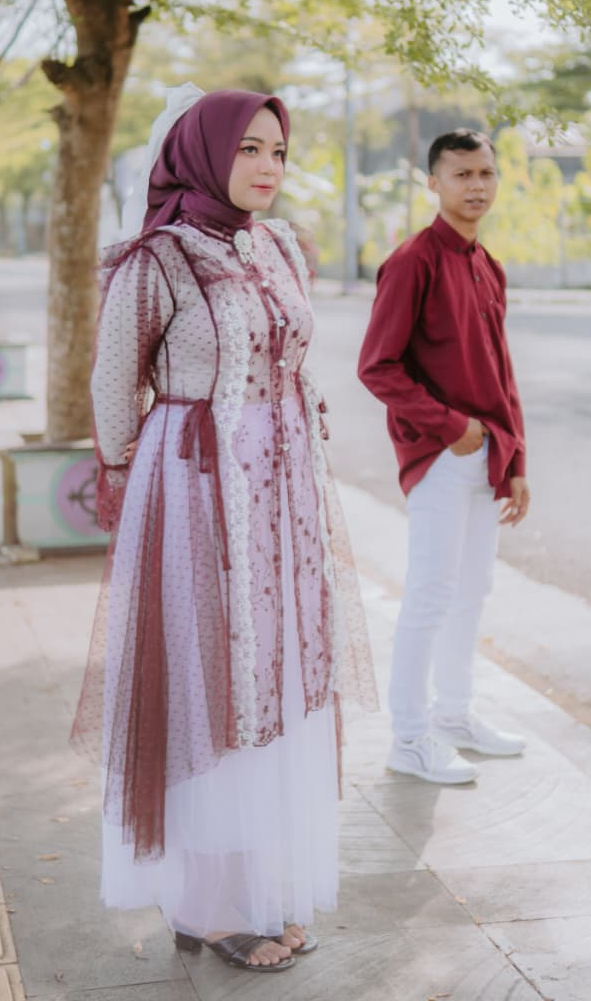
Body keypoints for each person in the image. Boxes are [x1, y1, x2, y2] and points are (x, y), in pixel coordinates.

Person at [72, 87, 376, 972]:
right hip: (197, 494)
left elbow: (289, 358)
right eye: (247, 148)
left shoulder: (276, 245)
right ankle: (206, 906)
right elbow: (113, 384)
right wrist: (133, 478)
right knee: (209, 681)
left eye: (277, 150)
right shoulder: (158, 259)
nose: (267, 166)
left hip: (282, 497)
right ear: (201, 153)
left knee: (272, 677)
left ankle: (251, 890)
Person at [357, 128, 530, 786]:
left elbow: (502, 372)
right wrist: (450, 426)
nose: (475, 185)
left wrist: (516, 460)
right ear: (433, 183)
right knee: (430, 595)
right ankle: (408, 738)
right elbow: (377, 366)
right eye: (461, 174)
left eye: (485, 172)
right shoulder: (412, 262)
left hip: (488, 455)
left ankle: (453, 716)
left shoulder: (488, 265)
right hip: (440, 455)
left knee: (472, 592)